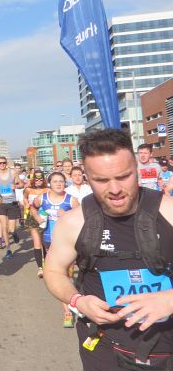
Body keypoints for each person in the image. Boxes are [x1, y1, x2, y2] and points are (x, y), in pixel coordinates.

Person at [44, 128, 173, 369]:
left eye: (124, 176)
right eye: (101, 180)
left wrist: (170, 300)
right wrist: (77, 301)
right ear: (85, 176)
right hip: (104, 347)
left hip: (166, 351)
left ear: (137, 168)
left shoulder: (169, 211)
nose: (114, 189)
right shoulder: (73, 222)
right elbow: (53, 271)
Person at [32, 171, 79, 327]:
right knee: (61, 275)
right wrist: (38, 217)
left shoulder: (71, 200)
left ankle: (73, 299)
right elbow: (32, 207)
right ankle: (67, 312)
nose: (59, 184)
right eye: (55, 181)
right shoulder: (43, 198)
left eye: (61, 181)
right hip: (49, 242)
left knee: (69, 276)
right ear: (50, 183)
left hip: (68, 244)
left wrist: (66, 215)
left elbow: (82, 219)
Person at [0, 156, 21, 259]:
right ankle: (8, 249)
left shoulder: (13, 173)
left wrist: (16, 186)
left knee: (11, 229)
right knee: (4, 227)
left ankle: (14, 234)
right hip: (1, 203)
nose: (2, 165)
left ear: (6, 163)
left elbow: (21, 184)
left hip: (12, 203)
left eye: (3, 163)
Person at [23, 170, 48, 278]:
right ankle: (40, 268)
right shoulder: (28, 190)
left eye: (40, 179)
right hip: (32, 218)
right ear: (33, 180)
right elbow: (24, 198)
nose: (38, 181)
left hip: (45, 218)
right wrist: (25, 203)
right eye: (36, 179)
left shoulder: (47, 190)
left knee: (45, 243)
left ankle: (47, 264)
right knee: (37, 242)